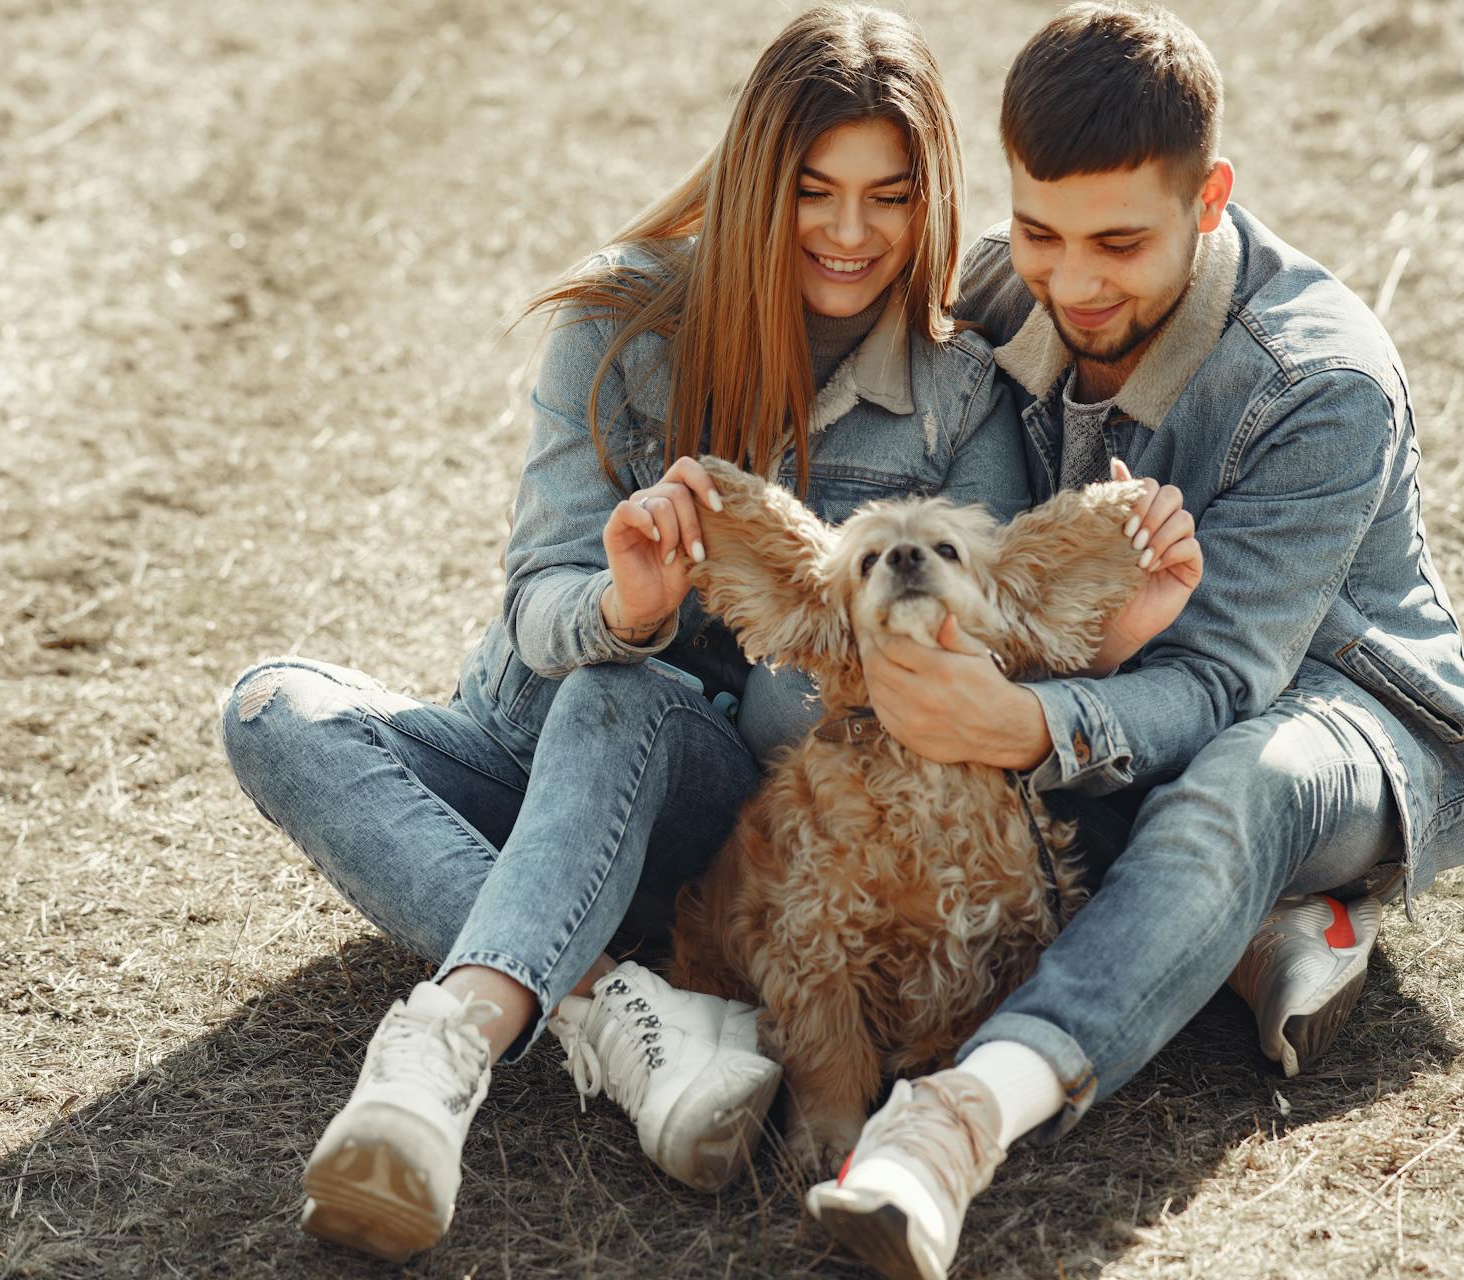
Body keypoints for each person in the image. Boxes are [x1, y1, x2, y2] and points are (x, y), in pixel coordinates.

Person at [219, 4, 1201, 1264]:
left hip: (724, 806)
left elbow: (976, 638)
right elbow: (536, 598)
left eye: (891, 197)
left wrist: (1115, 625)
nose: (852, 234)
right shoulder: (624, 322)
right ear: (753, 180)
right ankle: (616, 1009)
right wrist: (623, 605)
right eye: (813, 190)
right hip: (523, 755)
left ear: (927, 204)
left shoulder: (957, 390)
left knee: (630, 701)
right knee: (271, 707)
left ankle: (450, 1040)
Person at [803, 6, 1464, 1279]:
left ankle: (953, 1124)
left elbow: (1222, 679)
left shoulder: (1325, 379)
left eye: (1120, 242)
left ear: (1209, 197)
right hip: (1098, 685)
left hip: (1336, 713)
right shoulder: (1005, 280)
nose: (1075, 279)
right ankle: (1247, 931)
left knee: (1232, 788)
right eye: (1042, 230)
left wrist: (1032, 726)